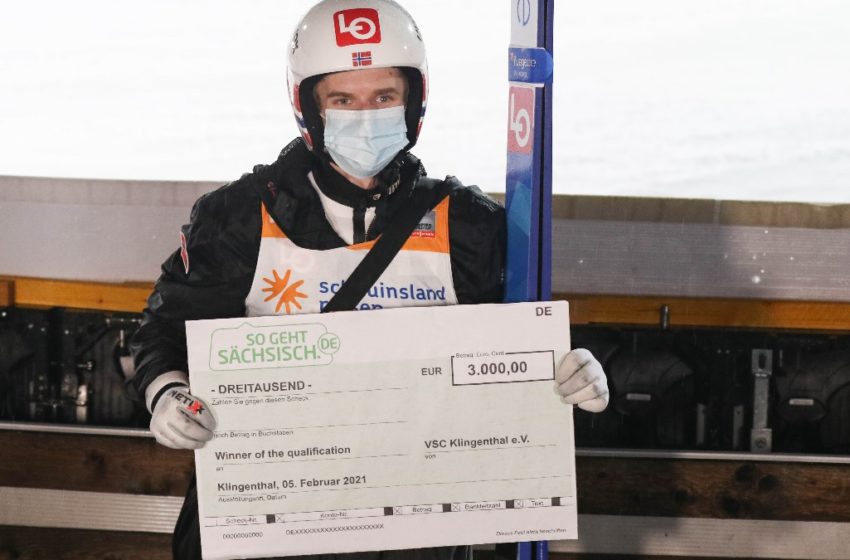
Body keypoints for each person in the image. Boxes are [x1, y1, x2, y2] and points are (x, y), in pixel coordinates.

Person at [130, 1, 610, 558]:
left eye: (384, 97)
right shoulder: (239, 215)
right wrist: (166, 392)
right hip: (265, 524)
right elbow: (164, 328)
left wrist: (572, 374)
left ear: (414, 101)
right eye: (342, 100)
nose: (365, 116)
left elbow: (517, 358)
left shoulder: (470, 225)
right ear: (307, 107)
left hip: (415, 530)